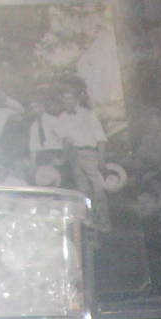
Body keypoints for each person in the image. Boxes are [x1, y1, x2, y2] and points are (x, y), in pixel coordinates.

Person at [54, 89, 108, 228]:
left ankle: (103, 221)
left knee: (98, 188)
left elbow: (100, 138)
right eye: (65, 99)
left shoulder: (88, 114)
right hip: (74, 155)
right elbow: (66, 141)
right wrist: (64, 158)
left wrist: (101, 158)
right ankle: (89, 222)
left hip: (89, 153)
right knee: (83, 191)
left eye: (70, 98)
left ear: (76, 100)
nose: (67, 102)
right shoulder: (61, 118)